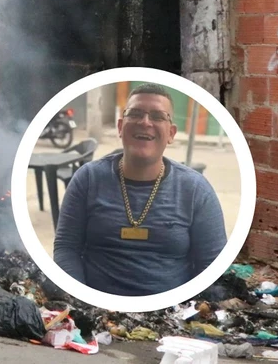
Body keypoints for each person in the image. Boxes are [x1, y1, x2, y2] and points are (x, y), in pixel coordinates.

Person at [52, 83, 226, 297]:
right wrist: (82, 300)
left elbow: (212, 265)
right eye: (135, 114)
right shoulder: (88, 179)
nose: (145, 122)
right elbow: (66, 248)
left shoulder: (195, 190)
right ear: (120, 127)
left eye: (157, 116)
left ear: (171, 133)